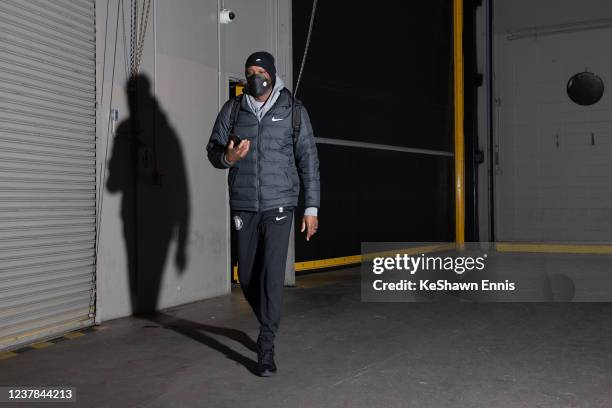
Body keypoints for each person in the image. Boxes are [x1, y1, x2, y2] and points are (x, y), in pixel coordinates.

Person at [206, 51, 320, 376]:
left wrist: (311, 208)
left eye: (260, 70)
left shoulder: (293, 111)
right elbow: (213, 150)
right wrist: (228, 157)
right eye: (249, 71)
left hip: (280, 203)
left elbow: (309, 162)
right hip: (244, 203)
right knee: (247, 277)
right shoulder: (234, 109)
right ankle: (269, 317)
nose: (254, 75)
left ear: (271, 74)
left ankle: (266, 347)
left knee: (271, 277)